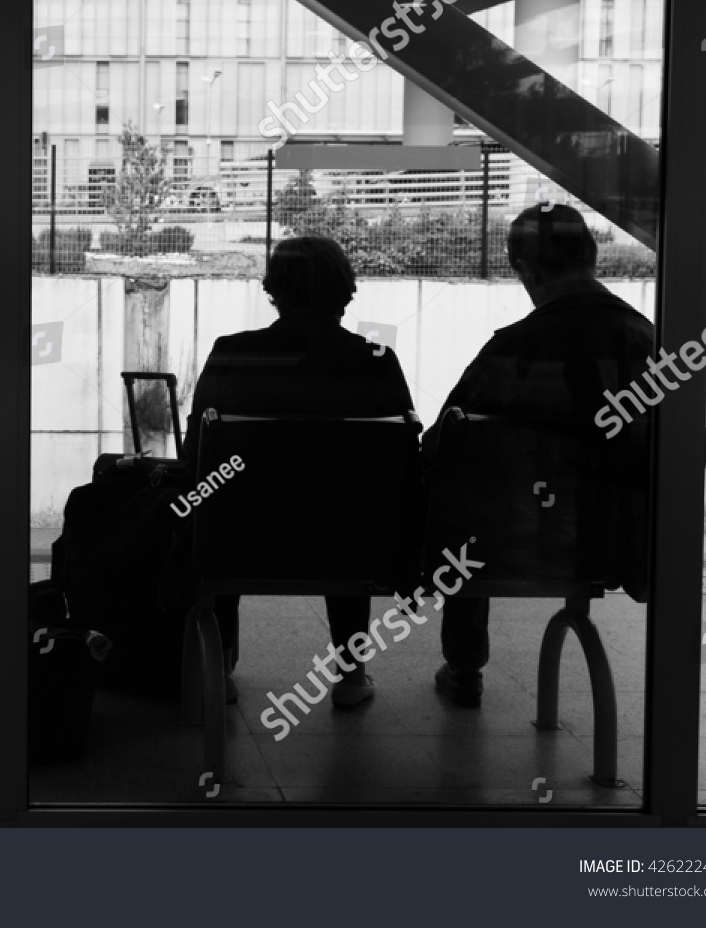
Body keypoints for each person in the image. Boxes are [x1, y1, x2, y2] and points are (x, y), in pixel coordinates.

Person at [424, 204, 662, 707]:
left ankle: (465, 663)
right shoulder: (646, 344)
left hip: (508, 548)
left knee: (468, 491)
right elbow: (687, 447)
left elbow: (441, 446)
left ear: (527, 270)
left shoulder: (514, 349)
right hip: (617, 547)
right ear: (592, 258)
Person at [182, 236, 417, 708]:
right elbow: (404, 462)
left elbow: (196, 456)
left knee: (224, 502)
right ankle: (351, 676)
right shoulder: (376, 362)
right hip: (352, 549)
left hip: (241, 546)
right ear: (344, 291)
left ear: (275, 290)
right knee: (348, 501)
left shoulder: (233, 353)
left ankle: (221, 664)